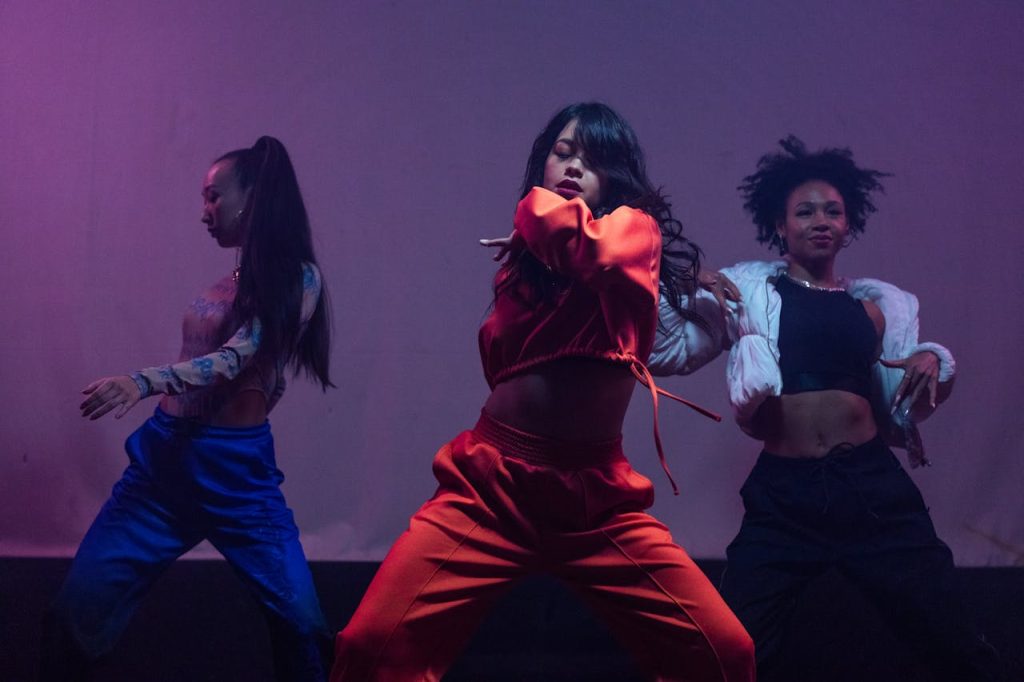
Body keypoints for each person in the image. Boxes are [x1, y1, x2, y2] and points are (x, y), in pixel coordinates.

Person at [329, 103, 754, 681]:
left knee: (722, 652)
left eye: (593, 159)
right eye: (563, 152)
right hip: (490, 486)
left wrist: (535, 209)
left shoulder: (634, 231)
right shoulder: (522, 268)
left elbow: (585, 245)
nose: (574, 165)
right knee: (369, 647)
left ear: (619, 178)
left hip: (593, 499)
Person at [649, 136, 1003, 681]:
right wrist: (681, 280)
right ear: (780, 225)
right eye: (805, 211)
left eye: (833, 211)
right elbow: (668, 349)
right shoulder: (747, 293)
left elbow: (906, 378)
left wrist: (934, 357)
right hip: (785, 494)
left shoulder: (877, 307)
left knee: (950, 632)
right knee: (733, 643)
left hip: (869, 487)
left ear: (847, 224)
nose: (821, 220)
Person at [41, 136, 334, 681]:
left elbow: (238, 357)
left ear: (255, 198)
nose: (204, 212)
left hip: (236, 479)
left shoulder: (298, 278)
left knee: (303, 624)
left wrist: (143, 380)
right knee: (75, 614)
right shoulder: (228, 282)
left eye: (214, 197)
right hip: (164, 470)